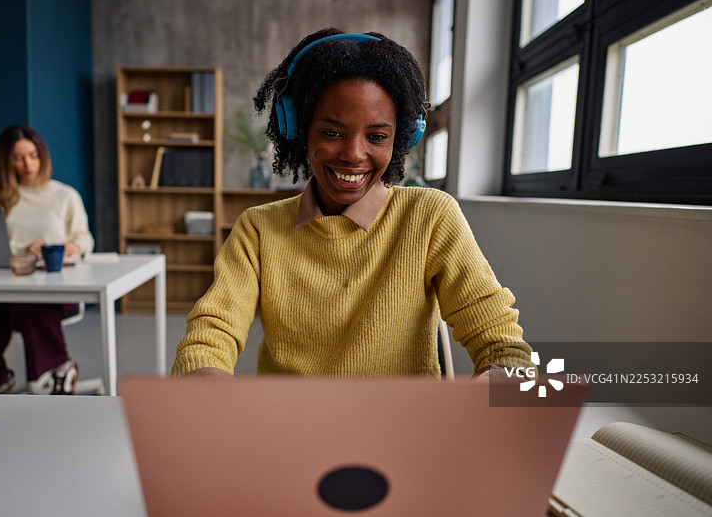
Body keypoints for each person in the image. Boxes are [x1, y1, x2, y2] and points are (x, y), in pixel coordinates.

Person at [172, 28, 535, 379]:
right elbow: (212, 332)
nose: (354, 154)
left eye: (376, 136)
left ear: (402, 138)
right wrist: (203, 379)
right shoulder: (257, 228)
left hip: (400, 420)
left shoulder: (430, 217)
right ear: (298, 128)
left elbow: (503, 346)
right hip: (291, 418)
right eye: (332, 132)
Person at [0, 125, 94, 394]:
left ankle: (58, 369)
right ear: (6, 160)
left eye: (33, 155)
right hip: (4, 286)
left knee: (30, 309)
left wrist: (71, 247)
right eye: (18, 157)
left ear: (42, 156)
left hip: (54, 287)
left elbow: (84, 238)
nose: (28, 164)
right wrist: (23, 249)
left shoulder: (65, 195)